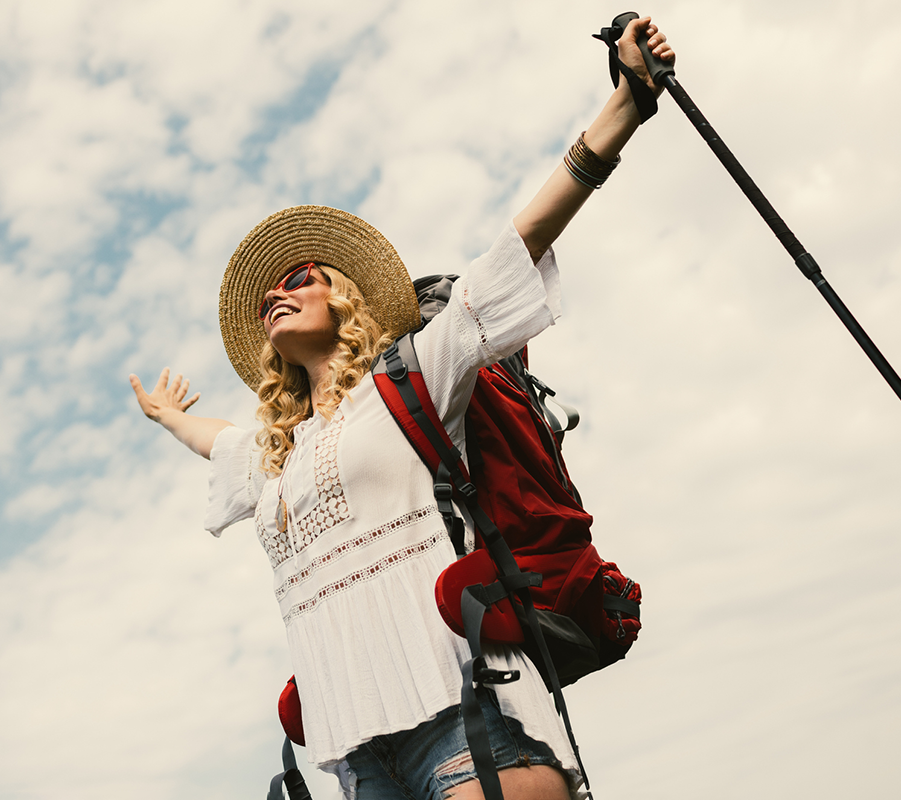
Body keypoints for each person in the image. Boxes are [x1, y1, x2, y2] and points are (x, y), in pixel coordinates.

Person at [131, 17, 675, 800]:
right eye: (265, 297)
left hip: (465, 720)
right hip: (357, 763)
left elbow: (518, 244)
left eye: (300, 276)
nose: (275, 293)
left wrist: (626, 105)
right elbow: (221, 439)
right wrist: (170, 419)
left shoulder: (413, 376)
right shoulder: (273, 453)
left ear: (343, 295)